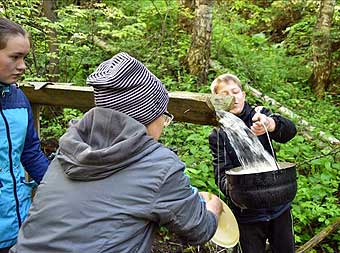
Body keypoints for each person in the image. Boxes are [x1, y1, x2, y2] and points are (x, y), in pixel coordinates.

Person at [10, 52, 223, 253]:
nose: (164, 126)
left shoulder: (70, 147)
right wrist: (213, 209)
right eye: (164, 117)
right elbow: (198, 229)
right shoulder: (160, 167)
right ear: (147, 117)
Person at [208, 73, 297, 253]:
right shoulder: (218, 133)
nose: (232, 97)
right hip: (246, 212)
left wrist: (271, 124)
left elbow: (289, 131)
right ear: (216, 100)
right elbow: (221, 173)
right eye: (225, 94)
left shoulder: (260, 115)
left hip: (278, 204)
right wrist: (239, 192)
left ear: (244, 95)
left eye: (236, 91)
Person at [0, 17, 49, 253]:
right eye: (14, 57)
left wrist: (58, 188)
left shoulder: (17, 99)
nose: (22, 66)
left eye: (24, 58)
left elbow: (30, 153)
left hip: (17, 224)